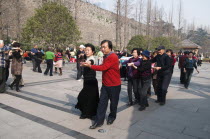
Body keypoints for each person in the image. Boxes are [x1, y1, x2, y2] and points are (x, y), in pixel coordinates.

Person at [81, 40, 121, 129]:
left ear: (110, 48)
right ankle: (99, 121)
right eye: (101, 47)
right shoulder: (105, 56)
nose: (102, 49)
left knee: (113, 104)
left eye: (104, 47)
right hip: (105, 85)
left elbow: (103, 67)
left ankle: (112, 117)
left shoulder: (113, 56)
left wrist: (90, 66)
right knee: (102, 103)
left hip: (114, 85)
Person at [75, 44, 99, 119]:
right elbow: (83, 56)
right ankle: (85, 113)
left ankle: (91, 114)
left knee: (87, 97)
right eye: (86, 50)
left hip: (91, 81)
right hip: (86, 81)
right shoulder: (87, 57)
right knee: (87, 98)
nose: (86, 51)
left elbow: (90, 62)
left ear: (93, 52)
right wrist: (82, 54)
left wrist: (86, 64)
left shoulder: (92, 59)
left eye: (88, 50)